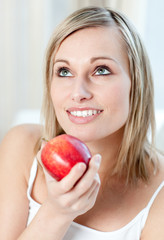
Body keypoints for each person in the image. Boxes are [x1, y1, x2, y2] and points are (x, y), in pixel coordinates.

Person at [0, 6, 164, 240]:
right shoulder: (22, 147)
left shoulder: (160, 196)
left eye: (101, 70)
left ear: (135, 84)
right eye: (64, 71)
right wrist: (56, 214)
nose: (78, 93)